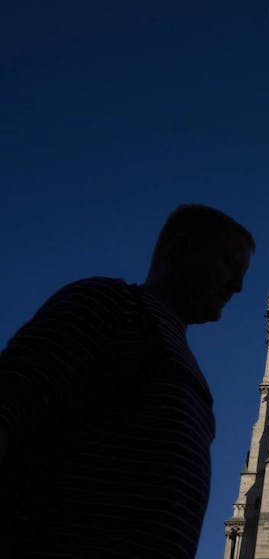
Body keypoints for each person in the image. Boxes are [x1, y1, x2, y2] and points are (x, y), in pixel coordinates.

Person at [0, 204, 253, 558]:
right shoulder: (109, 304)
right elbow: (10, 399)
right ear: (181, 248)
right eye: (230, 264)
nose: (238, 286)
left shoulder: (186, 366)